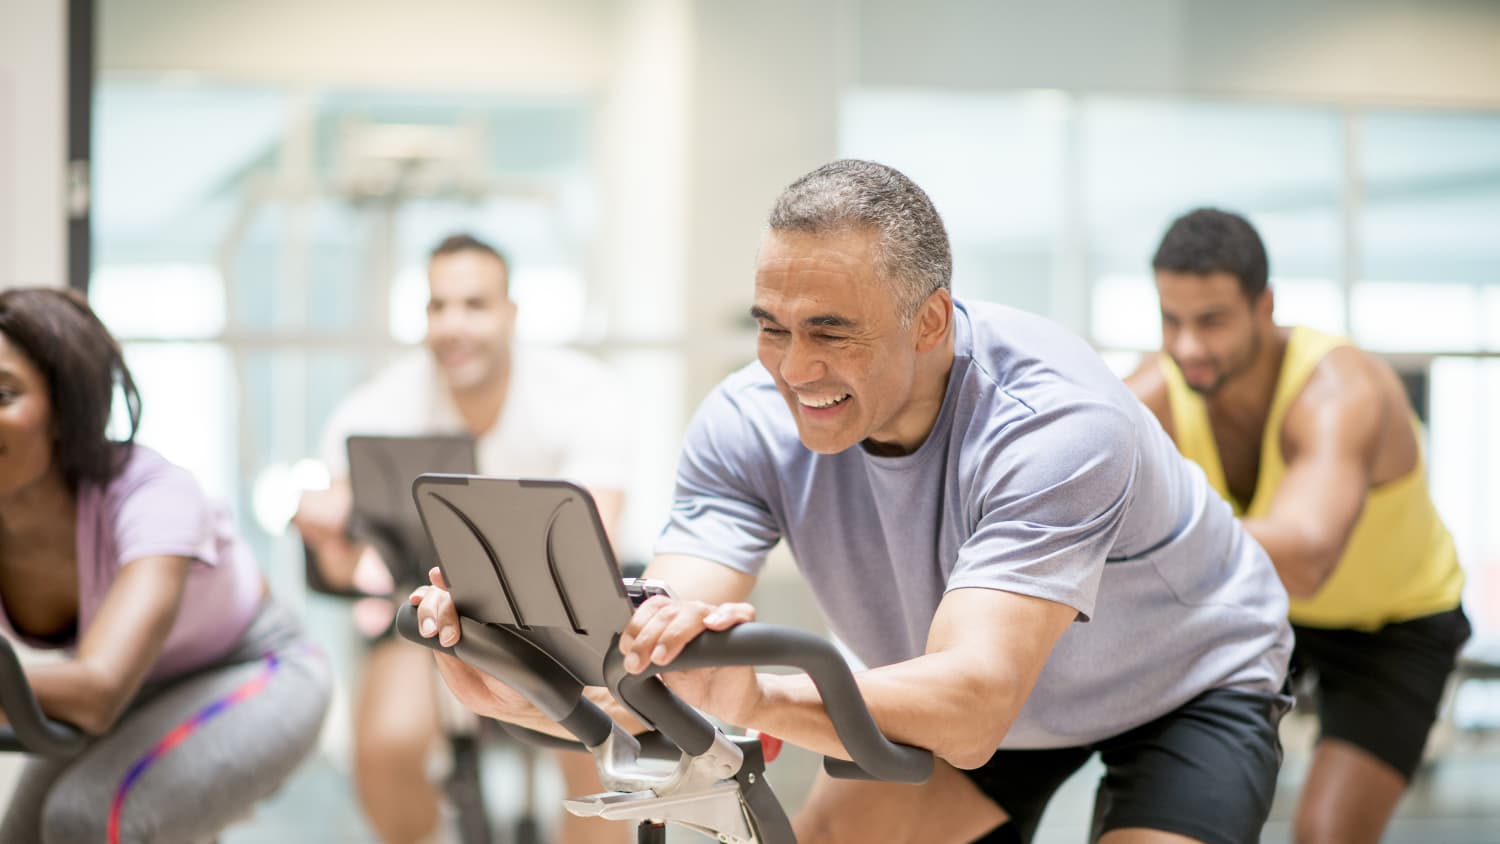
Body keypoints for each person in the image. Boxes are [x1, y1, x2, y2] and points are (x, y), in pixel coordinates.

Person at [408, 160, 1296, 844]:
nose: (794, 370)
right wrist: (541, 682)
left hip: (1185, 681)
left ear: (931, 322)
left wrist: (753, 697)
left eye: (831, 331)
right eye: (772, 326)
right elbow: (666, 638)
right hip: (964, 686)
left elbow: (978, 701)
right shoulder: (747, 423)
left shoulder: (1055, 423)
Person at [1125, 208, 1471, 843]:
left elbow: (1308, 558)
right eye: (1170, 320)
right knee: (1177, 813)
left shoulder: (1339, 390)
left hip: (1395, 625)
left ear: (1266, 307)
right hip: (1262, 611)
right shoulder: (1158, 390)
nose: (1187, 347)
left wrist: (1147, 525)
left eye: (1212, 321)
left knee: (1326, 833)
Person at [292, 233, 629, 844]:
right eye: (437, 307)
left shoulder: (582, 394)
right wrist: (332, 535)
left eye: (474, 305)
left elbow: (596, 536)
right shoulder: (373, 410)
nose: (453, 325)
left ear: (510, 313)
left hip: (554, 613)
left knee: (598, 746)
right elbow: (349, 572)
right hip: (429, 609)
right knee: (387, 746)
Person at [0, 287, 330, 843]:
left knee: (86, 818)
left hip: (259, 668)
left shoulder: (152, 494)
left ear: (64, 409)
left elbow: (97, 691)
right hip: (143, 689)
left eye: (3, 394)